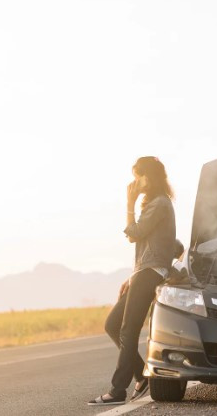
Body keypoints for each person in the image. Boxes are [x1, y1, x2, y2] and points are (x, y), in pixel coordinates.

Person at [88, 156, 177, 406]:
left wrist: (129, 203)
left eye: (139, 175)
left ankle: (118, 390)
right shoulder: (155, 204)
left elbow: (134, 234)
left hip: (150, 273)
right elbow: (156, 244)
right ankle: (142, 375)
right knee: (113, 324)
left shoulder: (159, 203)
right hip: (143, 272)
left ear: (151, 176)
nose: (135, 181)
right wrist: (133, 274)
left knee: (128, 329)